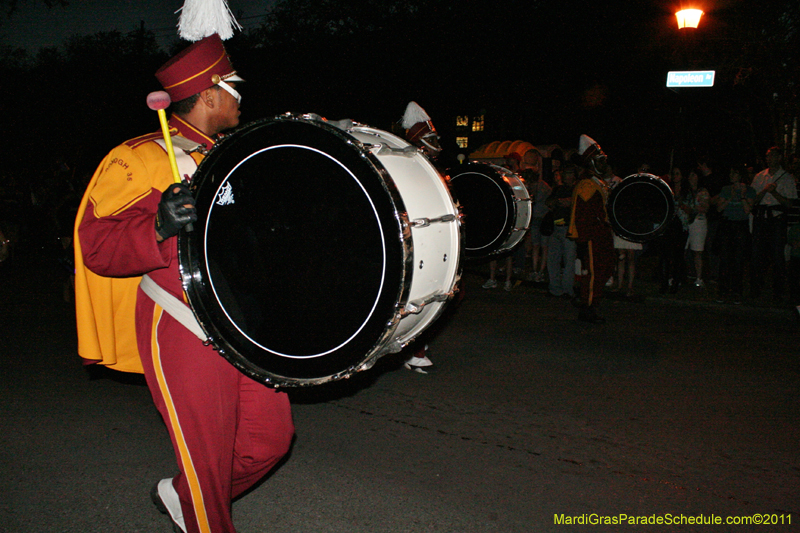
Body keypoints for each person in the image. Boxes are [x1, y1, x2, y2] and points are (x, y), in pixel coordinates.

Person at [74, 35, 294, 533]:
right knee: (207, 460)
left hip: (242, 321)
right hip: (182, 322)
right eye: (234, 88)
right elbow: (96, 242)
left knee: (269, 440)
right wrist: (157, 225)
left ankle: (185, 492)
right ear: (212, 93)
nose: (242, 98)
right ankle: (201, 504)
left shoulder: (237, 154)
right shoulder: (141, 157)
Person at [399, 101, 441, 373]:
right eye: (431, 139)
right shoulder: (409, 167)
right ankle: (413, 350)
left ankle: (414, 347)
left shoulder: (428, 167)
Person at [567, 135, 615, 323]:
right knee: (594, 273)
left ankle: (590, 303)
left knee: (602, 270)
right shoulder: (587, 184)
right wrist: (585, 239)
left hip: (600, 235)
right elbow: (583, 216)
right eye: (600, 160)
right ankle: (588, 307)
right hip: (592, 237)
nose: (604, 164)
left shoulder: (597, 182)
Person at [750, 146, 797, 301]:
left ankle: (778, 290)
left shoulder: (787, 178)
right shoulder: (759, 176)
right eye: (767, 156)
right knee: (757, 254)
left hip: (777, 219)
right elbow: (753, 200)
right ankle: (756, 287)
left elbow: (789, 204)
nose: (769, 159)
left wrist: (774, 192)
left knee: (777, 255)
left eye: (772, 156)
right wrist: (765, 190)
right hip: (761, 217)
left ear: (779, 158)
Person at [715, 166, 756, 303]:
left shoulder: (749, 190)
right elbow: (719, 208)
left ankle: (737, 290)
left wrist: (743, 196)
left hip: (740, 226)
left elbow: (748, 210)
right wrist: (730, 198)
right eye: (731, 172)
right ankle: (723, 290)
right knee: (725, 259)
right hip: (727, 226)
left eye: (734, 172)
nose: (731, 175)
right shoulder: (726, 189)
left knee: (738, 260)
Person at [545, 163, 577, 298]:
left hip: (569, 228)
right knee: (553, 259)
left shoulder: (578, 189)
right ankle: (555, 288)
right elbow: (549, 202)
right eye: (564, 173)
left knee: (569, 261)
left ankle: (567, 289)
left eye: (568, 173)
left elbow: (569, 202)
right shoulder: (559, 188)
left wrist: (561, 202)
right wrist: (559, 201)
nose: (564, 176)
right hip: (556, 227)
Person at [658, 167, 691, 294]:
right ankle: (664, 282)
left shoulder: (686, 191)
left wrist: (681, 203)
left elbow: (690, 210)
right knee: (664, 256)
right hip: (668, 226)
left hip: (681, 226)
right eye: (674, 174)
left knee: (677, 256)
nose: (675, 176)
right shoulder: (667, 189)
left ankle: (676, 283)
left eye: (678, 174)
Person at [685, 169, 710, 288]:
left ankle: (699, 278)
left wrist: (690, 208)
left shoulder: (703, 191)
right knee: (682, 250)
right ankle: (681, 275)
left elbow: (705, 208)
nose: (691, 177)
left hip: (698, 222)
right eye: (690, 175)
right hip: (685, 222)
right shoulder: (685, 190)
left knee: (697, 251)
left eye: (693, 174)